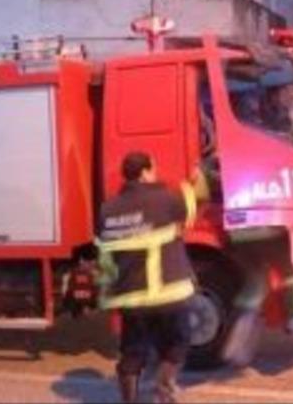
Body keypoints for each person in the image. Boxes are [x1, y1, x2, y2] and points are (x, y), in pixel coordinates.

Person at [96, 151, 208, 403]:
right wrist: (195, 181)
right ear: (145, 172)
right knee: (179, 341)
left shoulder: (107, 210)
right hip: (167, 293)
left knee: (132, 352)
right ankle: (164, 390)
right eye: (154, 169)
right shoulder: (164, 200)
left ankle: (130, 399)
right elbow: (192, 208)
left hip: (130, 298)